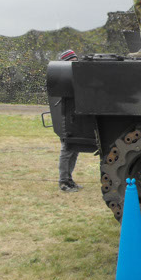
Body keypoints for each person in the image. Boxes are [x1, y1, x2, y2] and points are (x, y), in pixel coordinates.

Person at [55, 49, 83, 192]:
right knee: (66, 150)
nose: (75, 62)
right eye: (72, 60)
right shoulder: (64, 78)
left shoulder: (75, 76)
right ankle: (63, 181)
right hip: (67, 119)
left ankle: (69, 179)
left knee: (74, 150)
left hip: (75, 118)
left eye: (75, 59)